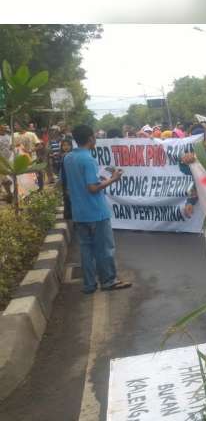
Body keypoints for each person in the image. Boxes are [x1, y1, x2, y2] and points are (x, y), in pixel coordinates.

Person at [61, 124, 132, 294]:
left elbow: (70, 184)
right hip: (96, 212)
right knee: (105, 249)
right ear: (91, 138)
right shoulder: (88, 159)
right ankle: (109, 281)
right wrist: (114, 178)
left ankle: (89, 284)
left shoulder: (68, 158)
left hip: (79, 213)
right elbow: (92, 188)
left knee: (86, 250)